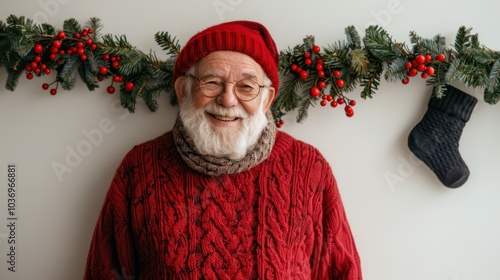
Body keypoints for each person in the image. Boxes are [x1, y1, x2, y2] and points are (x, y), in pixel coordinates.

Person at [84, 20, 362, 279]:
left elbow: (342, 271)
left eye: (246, 87)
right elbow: (105, 272)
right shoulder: (140, 166)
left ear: (266, 100)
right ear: (183, 90)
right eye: (213, 82)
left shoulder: (309, 167)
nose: (228, 100)